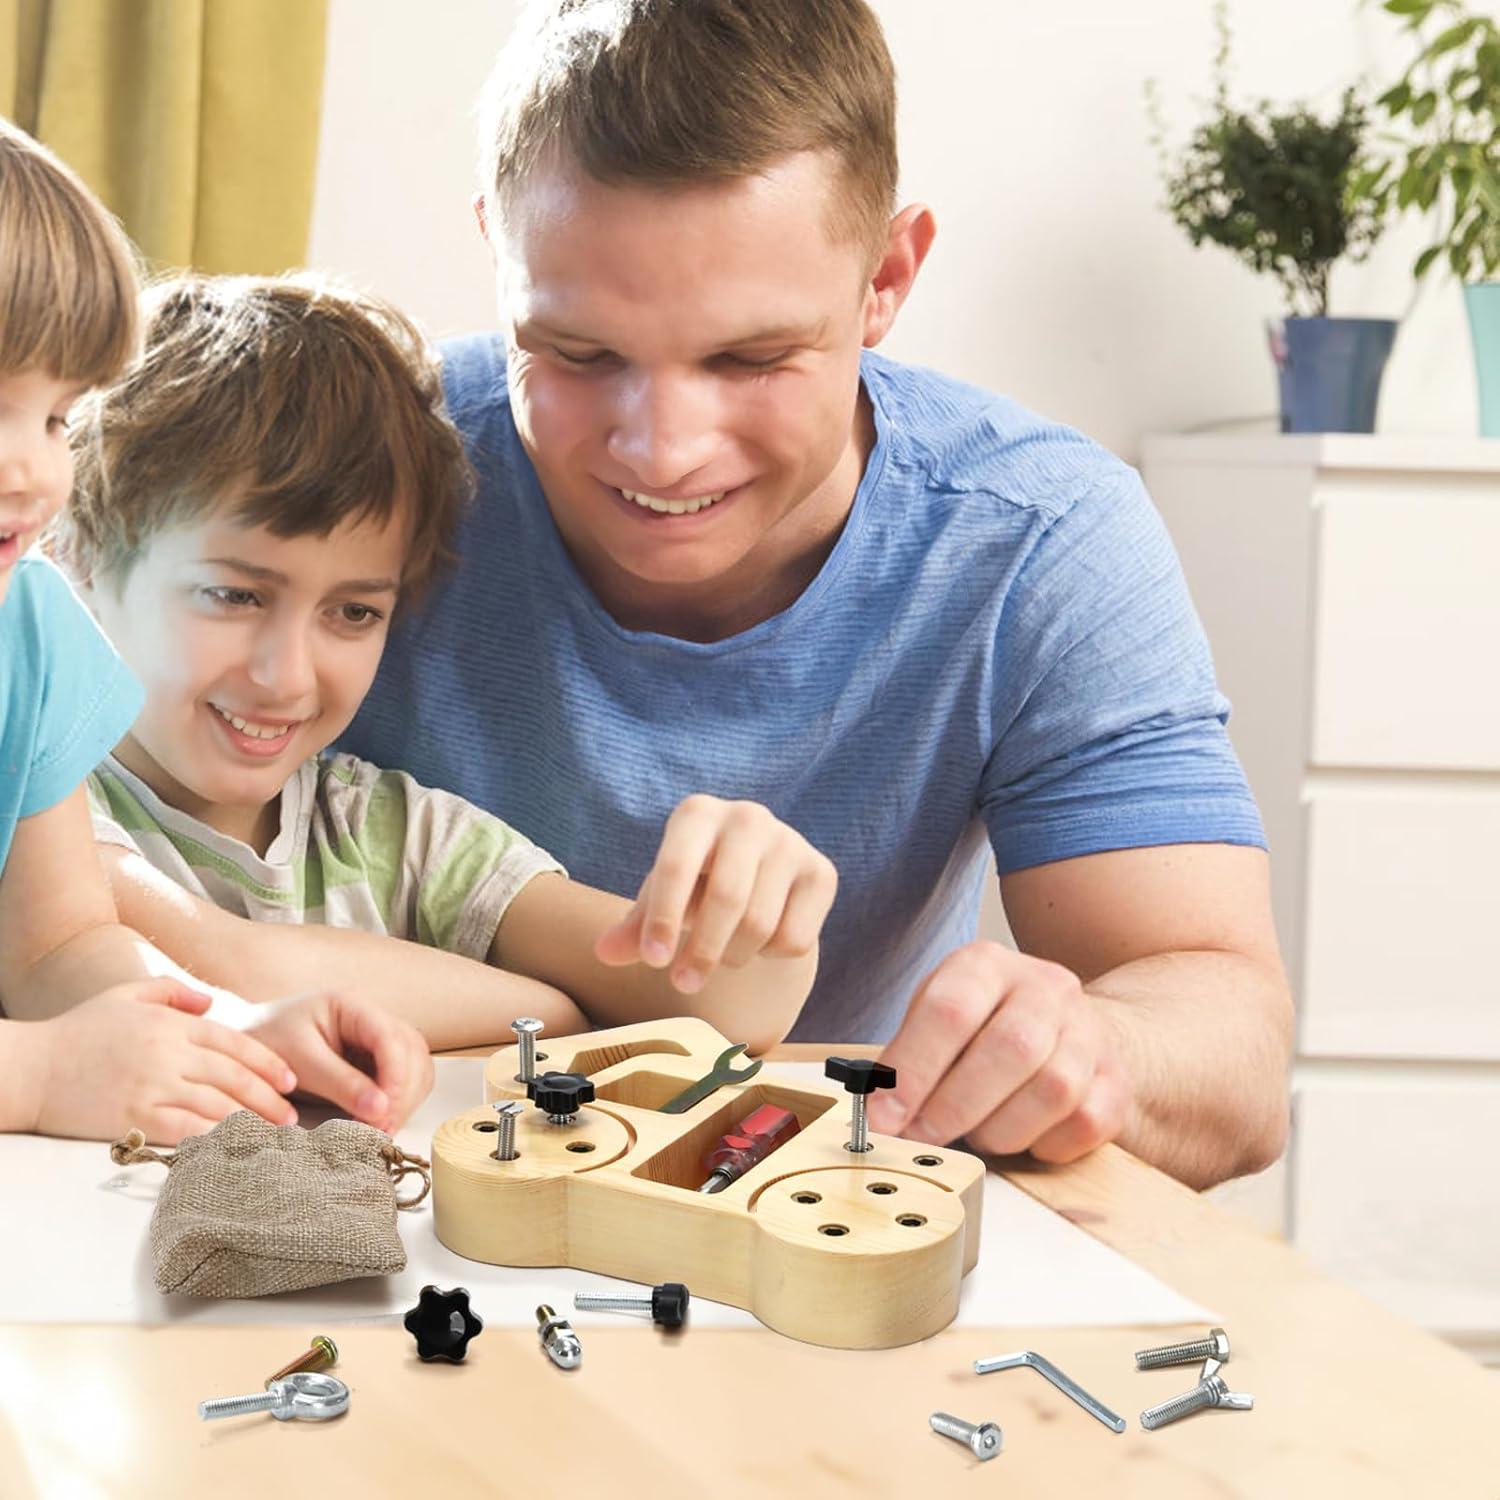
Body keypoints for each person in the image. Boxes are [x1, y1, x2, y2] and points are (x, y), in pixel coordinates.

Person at [334, 0, 1295, 1190]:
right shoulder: (351, 467)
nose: (663, 449)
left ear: (885, 276)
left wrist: (1097, 1051)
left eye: (750, 359)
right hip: (385, 1187)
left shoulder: (1036, 542)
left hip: (822, 1209)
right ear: (498, 250)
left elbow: (1231, 1051)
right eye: (579, 354)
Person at [58, 272, 835, 1057]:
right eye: (234, 596)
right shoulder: (41, 808)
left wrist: (759, 907)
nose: (286, 676)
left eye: (354, 613)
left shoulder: (389, 833)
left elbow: (727, 1009)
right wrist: (552, 1012)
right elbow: (233, 974)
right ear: (79, 554)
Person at [0, 118, 432, 1143]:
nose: (33, 471)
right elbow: (48, 1043)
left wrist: (228, 1035)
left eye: (56, 419)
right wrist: (39, 1075)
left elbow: (58, 946)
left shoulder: (29, 629)